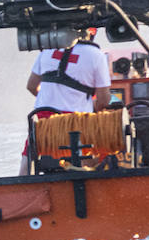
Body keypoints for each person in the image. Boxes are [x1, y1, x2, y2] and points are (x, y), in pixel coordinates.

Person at [20, 29, 111, 173]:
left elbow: (31, 86)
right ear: (91, 33)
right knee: (96, 158)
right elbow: (104, 100)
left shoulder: (47, 50)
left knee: (29, 154)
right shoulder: (96, 55)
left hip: (45, 122)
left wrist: (49, 99)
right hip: (77, 124)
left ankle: (22, 181)